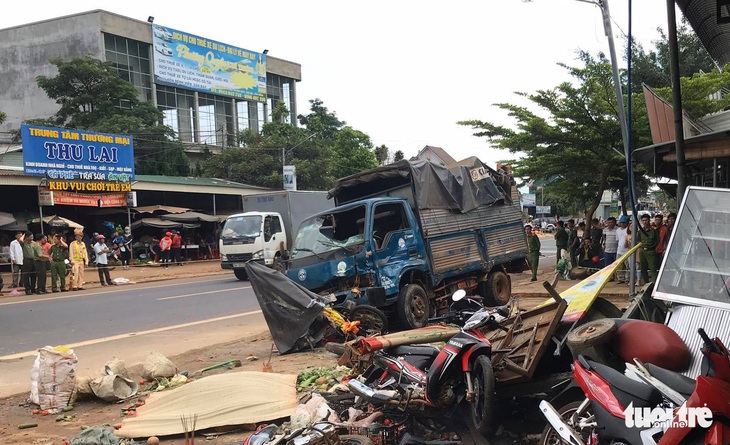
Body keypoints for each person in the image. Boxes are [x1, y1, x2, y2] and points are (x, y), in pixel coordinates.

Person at [638, 213, 659, 285]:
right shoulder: (640, 231)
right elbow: (639, 240)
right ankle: (646, 283)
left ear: (649, 220)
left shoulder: (654, 230)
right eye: (643, 220)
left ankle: (654, 284)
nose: (644, 222)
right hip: (643, 251)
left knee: (653, 268)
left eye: (646, 220)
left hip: (651, 251)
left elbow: (657, 240)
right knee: (643, 269)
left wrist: (653, 248)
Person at [615, 215, 631, 284]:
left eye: (624, 223)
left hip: (627, 250)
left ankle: (627, 278)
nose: (623, 224)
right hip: (619, 250)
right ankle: (620, 278)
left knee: (628, 266)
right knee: (619, 266)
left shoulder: (629, 229)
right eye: (621, 223)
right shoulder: (618, 230)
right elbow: (617, 240)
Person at [20, 231, 37, 295]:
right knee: (26, 275)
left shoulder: (33, 243)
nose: (32, 238)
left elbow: (37, 245)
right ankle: (27, 289)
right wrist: (24, 234)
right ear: (26, 237)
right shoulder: (24, 243)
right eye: (30, 237)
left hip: (34, 260)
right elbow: (21, 240)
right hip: (27, 260)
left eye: (32, 237)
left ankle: (33, 288)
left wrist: (32, 241)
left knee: (34, 275)